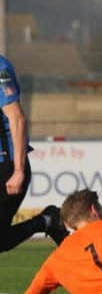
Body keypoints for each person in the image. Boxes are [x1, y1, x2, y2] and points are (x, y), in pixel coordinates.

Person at [0, 54, 68, 252]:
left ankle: (46, 221)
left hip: (7, 165)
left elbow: (17, 119)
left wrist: (18, 170)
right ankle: (47, 221)